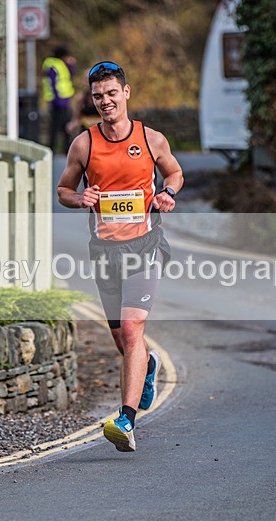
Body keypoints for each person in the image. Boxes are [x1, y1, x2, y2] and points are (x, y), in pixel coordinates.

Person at [56, 61, 184, 452]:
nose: (106, 101)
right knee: (120, 338)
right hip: (104, 251)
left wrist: (168, 194)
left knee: (132, 331)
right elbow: (63, 189)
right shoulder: (84, 144)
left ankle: (125, 420)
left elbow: (175, 173)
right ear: (92, 100)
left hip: (144, 247)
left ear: (126, 93)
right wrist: (80, 198)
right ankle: (146, 366)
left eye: (112, 93)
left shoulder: (151, 139)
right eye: (98, 96)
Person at [41, 46, 76, 154]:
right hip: (58, 102)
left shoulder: (60, 64)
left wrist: (71, 65)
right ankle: (53, 151)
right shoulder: (53, 65)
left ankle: (66, 150)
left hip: (64, 101)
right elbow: (53, 83)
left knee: (65, 128)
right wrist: (58, 101)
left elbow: (70, 75)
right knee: (56, 129)